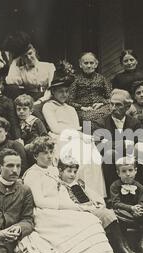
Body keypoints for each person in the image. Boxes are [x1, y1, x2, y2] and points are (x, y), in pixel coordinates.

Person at [16, 137, 118, 253]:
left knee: (90, 219)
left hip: (60, 209)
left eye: (51, 152)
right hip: (44, 214)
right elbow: (39, 201)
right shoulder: (32, 174)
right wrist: (70, 207)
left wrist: (76, 206)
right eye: (44, 153)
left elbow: (62, 191)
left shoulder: (53, 170)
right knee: (87, 221)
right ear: (35, 156)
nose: (49, 156)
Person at [43, 62, 107, 198]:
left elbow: (76, 126)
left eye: (66, 91)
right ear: (53, 92)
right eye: (60, 91)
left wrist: (79, 135)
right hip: (60, 137)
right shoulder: (48, 107)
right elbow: (55, 127)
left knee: (92, 155)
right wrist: (76, 134)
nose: (64, 94)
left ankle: (93, 194)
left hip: (76, 136)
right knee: (78, 156)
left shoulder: (71, 109)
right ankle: (77, 194)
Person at [57, 157, 142, 253]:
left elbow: (94, 195)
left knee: (111, 213)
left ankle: (124, 246)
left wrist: (98, 203)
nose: (72, 175)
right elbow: (65, 203)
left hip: (90, 207)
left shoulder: (78, 183)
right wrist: (85, 207)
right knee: (107, 215)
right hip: (78, 211)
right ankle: (122, 248)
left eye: (75, 172)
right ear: (60, 171)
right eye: (69, 171)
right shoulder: (60, 186)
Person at [94, 89, 143, 194]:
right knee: (109, 154)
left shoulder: (134, 123)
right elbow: (100, 146)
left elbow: (140, 141)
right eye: (111, 104)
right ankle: (113, 195)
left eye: (118, 105)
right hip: (111, 157)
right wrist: (126, 144)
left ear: (127, 107)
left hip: (131, 156)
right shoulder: (101, 123)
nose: (113, 108)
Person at [110, 157, 143, 253]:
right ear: (118, 173)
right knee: (116, 218)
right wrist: (131, 208)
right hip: (123, 212)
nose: (127, 174)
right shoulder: (115, 186)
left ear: (135, 171)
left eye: (130, 170)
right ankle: (124, 247)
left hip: (136, 213)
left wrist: (139, 209)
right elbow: (115, 203)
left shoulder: (139, 187)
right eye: (124, 171)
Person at [4, 31, 56, 104]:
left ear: (34, 51)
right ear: (21, 58)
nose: (29, 57)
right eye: (25, 56)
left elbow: (51, 88)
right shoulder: (21, 70)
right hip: (29, 100)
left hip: (46, 98)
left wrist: (41, 100)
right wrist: (15, 61)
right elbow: (10, 81)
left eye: (30, 53)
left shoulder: (49, 67)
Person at [68, 52, 112, 132]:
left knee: (110, 114)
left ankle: (108, 137)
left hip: (101, 107)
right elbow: (70, 100)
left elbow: (110, 97)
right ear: (80, 65)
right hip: (83, 110)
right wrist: (82, 107)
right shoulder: (75, 80)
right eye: (86, 63)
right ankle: (89, 139)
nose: (89, 66)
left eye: (91, 63)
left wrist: (101, 103)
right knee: (87, 119)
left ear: (96, 64)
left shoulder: (102, 79)